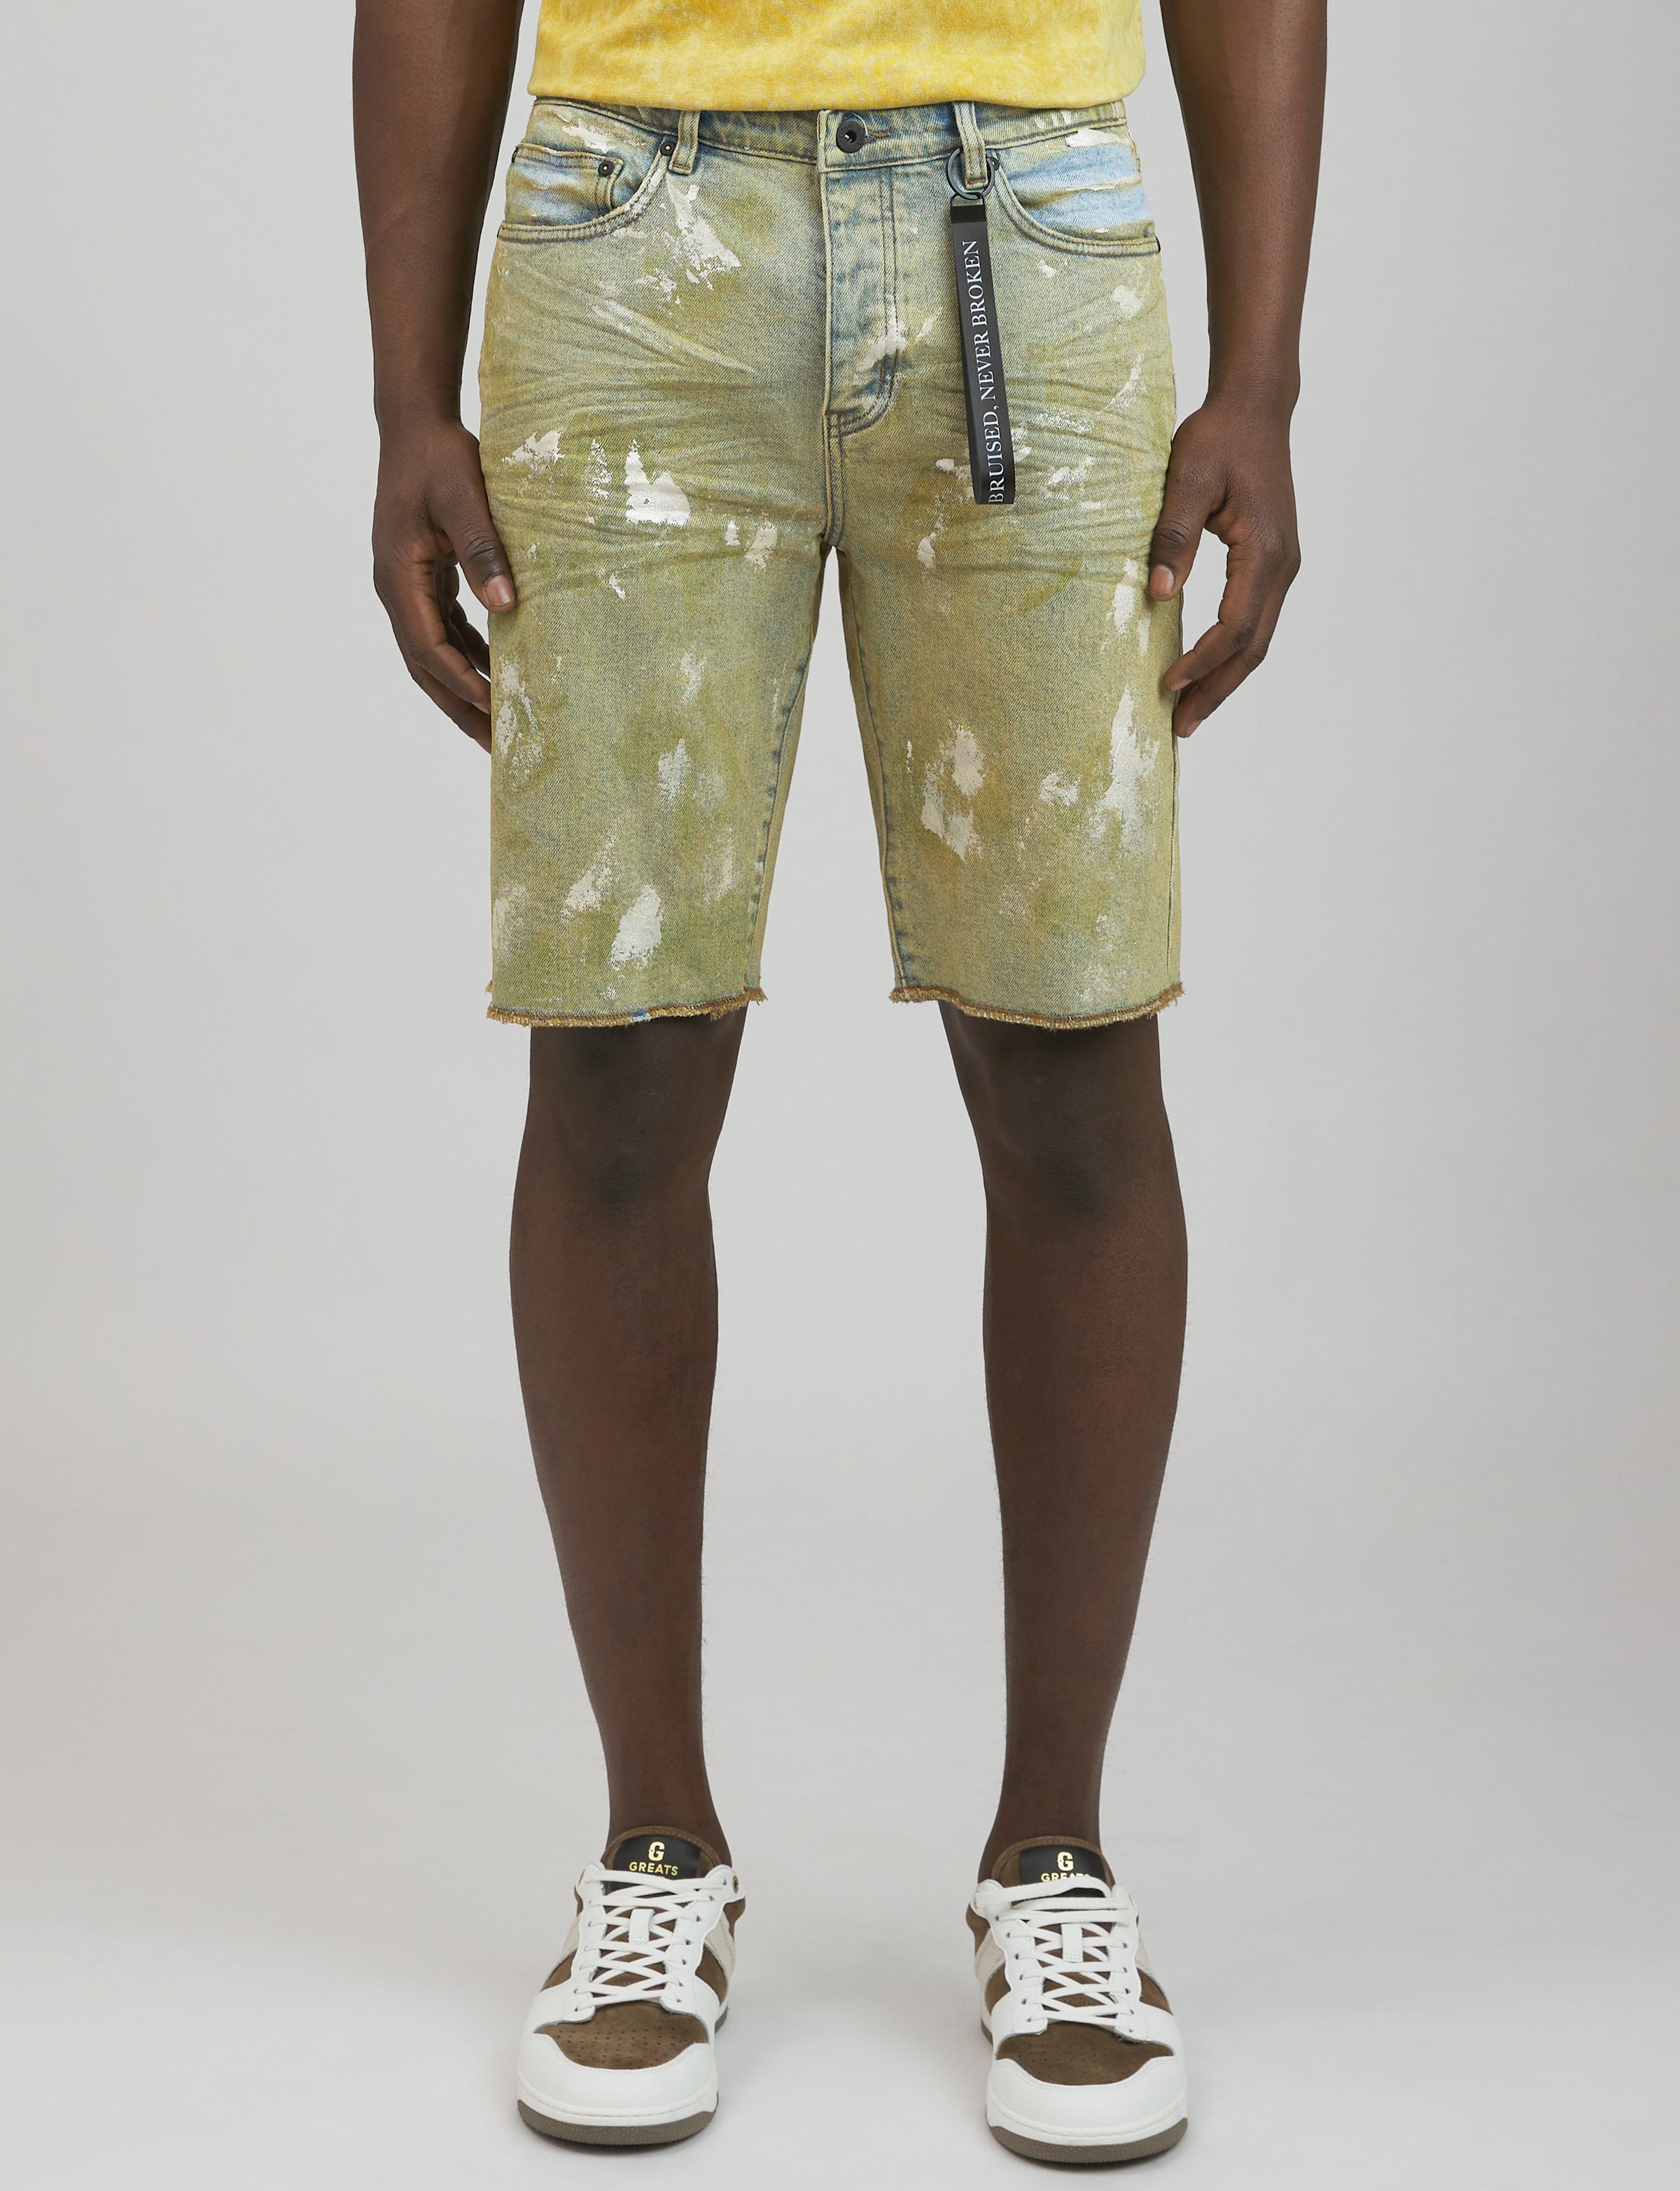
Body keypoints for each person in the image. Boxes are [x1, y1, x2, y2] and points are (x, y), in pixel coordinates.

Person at [354, 0, 1323, 2161]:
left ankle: (1055, 1859)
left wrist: (1261, 372)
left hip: (1026, 222)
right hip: (623, 231)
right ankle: (653, 1848)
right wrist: (406, 392)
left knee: (1071, 1052)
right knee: (618, 1062)